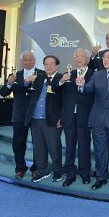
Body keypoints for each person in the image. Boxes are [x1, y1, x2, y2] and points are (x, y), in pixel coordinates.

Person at [76, 49, 109, 190]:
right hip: (98, 119)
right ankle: (100, 177)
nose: (105, 60)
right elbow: (87, 90)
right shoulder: (98, 75)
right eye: (104, 57)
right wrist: (81, 85)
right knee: (99, 150)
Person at [54, 48, 94, 187]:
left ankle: (85, 173)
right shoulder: (69, 74)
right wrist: (61, 82)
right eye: (76, 56)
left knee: (84, 146)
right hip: (69, 116)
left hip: (85, 116)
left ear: (88, 59)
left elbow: (94, 95)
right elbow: (57, 92)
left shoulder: (94, 74)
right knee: (70, 146)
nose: (78, 58)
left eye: (81, 56)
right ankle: (69, 174)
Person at [0, 51, 41, 179]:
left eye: (31, 59)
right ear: (22, 61)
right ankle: (20, 168)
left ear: (35, 60)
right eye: (26, 60)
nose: (28, 62)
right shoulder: (15, 75)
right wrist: (10, 83)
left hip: (37, 114)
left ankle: (36, 168)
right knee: (18, 143)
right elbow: (4, 92)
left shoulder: (42, 74)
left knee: (38, 143)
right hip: (19, 114)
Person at [24, 55, 64, 183]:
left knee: (54, 147)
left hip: (51, 119)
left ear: (57, 65)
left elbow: (66, 100)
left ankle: (58, 172)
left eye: (51, 64)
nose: (49, 66)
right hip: (35, 119)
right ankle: (43, 171)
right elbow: (25, 90)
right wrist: (26, 82)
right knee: (39, 148)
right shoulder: (39, 77)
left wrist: (62, 117)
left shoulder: (62, 78)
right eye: (46, 64)